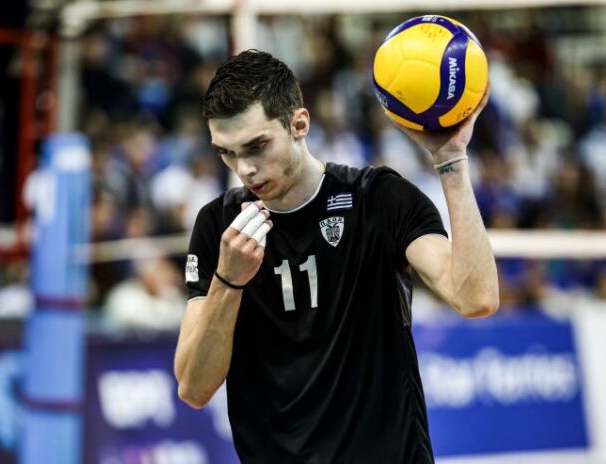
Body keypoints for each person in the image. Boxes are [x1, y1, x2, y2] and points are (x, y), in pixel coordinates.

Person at [174, 49, 499, 463]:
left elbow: (476, 298)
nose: (245, 168)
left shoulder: (377, 198)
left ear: (299, 124)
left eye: (256, 146)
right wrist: (229, 281)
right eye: (227, 152)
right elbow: (194, 388)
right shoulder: (219, 226)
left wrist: (451, 160)